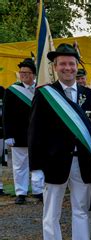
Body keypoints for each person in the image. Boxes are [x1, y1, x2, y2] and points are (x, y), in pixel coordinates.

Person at [28, 43, 91, 240]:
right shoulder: (45, 94)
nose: (68, 67)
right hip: (54, 163)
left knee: (81, 212)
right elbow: (35, 132)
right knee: (51, 215)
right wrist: (36, 168)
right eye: (63, 64)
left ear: (77, 66)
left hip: (83, 163)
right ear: (55, 67)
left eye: (72, 64)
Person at [3, 58, 44, 204]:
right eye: (21, 72)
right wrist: (8, 135)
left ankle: (38, 191)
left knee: (38, 164)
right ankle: (21, 192)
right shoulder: (12, 90)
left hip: (38, 134)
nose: (23, 75)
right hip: (19, 134)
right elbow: (6, 114)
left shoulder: (41, 89)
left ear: (33, 74)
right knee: (20, 165)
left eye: (26, 72)